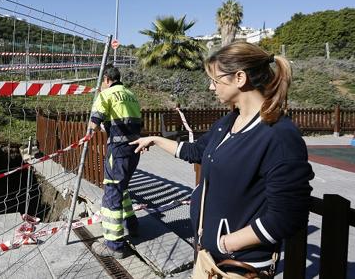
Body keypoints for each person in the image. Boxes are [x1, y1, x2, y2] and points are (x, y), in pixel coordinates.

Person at [130, 42, 313, 275]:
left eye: (215, 80)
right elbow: (197, 151)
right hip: (208, 259)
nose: (210, 87)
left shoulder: (280, 136)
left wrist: (225, 243)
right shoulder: (227, 123)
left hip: (238, 267)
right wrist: (155, 140)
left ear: (239, 78)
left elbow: (287, 217)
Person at [88, 65, 142, 259]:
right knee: (123, 188)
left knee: (112, 193)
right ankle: (132, 226)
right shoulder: (131, 94)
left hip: (117, 152)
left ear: (106, 80)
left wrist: (88, 135)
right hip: (134, 151)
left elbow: (94, 122)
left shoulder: (106, 94)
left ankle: (114, 245)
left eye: (102, 82)